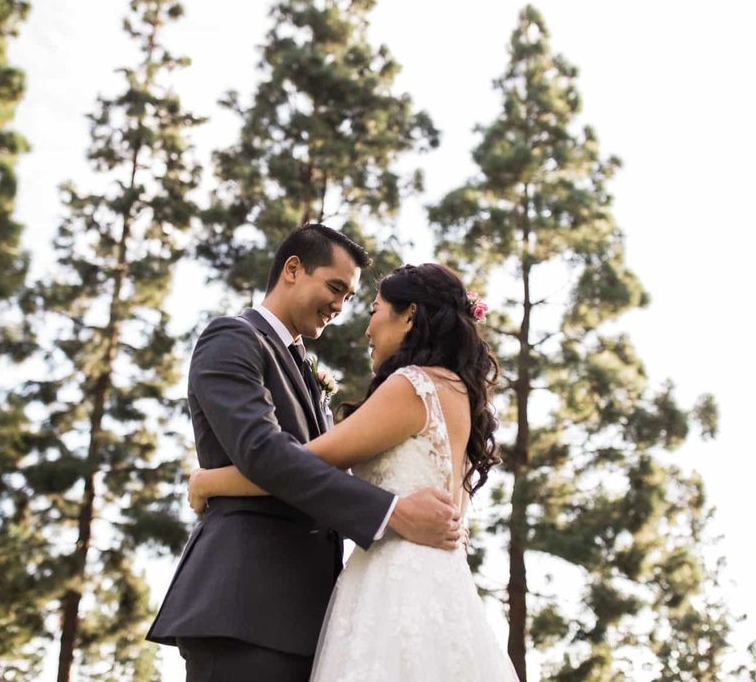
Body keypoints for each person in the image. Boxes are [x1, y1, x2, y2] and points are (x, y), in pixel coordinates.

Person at [146, 225, 461, 682]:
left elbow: (312, 461)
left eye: (350, 298)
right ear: (292, 269)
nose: (340, 307)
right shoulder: (233, 338)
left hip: (310, 620)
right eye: (335, 288)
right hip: (246, 607)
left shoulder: (302, 365)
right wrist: (390, 512)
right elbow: (265, 453)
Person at [189, 262, 519, 681]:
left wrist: (208, 481)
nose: (366, 329)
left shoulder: (412, 385)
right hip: (442, 587)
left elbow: (303, 464)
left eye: (373, 310)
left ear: (411, 314)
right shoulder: (458, 393)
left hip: (393, 588)